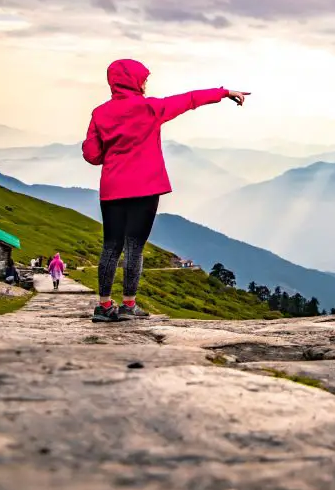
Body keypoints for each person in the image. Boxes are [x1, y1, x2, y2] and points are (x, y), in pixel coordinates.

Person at [81, 58, 250, 322]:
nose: (146, 84)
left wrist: (112, 152)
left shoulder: (100, 113)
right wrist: (224, 93)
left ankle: (103, 306)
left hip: (112, 188)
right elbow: (189, 99)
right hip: (145, 188)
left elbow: (91, 154)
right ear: (135, 81)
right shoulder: (151, 108)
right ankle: (128, 306)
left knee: (111, 246)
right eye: (144, 79)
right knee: (134, 247)